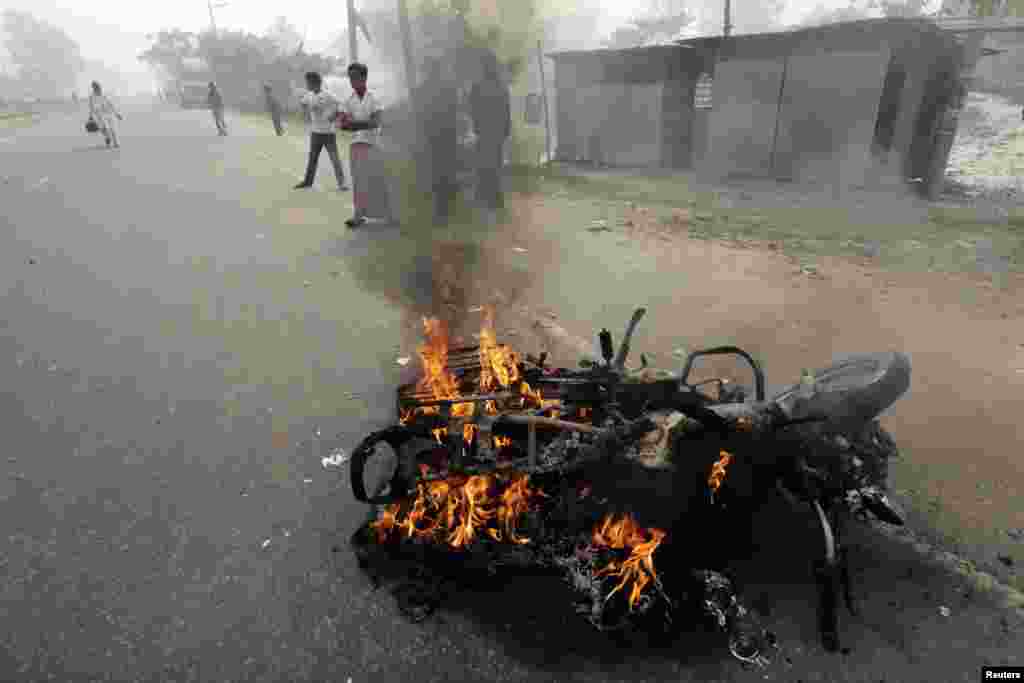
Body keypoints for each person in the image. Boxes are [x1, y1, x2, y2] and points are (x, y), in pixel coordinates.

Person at [338, 62, 394, 227]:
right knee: (359, 183)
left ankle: (389, 214)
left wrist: (354, 123)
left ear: (364, 77)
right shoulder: (348, 100)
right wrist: (364, 123)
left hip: (374, 144)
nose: (352, 81)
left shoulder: (374, 97)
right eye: (350, 78)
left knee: (379, 180)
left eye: (355, 77)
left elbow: (377, 122)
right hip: (356, 145)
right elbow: (343, 124)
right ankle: (358, 215)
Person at [417, 57, 458, 226]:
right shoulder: (449, 89)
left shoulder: (422, 90)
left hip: (432, 137)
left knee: (436, 174)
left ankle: (440, 212)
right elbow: (454, 111)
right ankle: (447, 210)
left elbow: (420, 115)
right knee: (447, 173)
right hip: (447, 136)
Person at [469, 50, 511, 214]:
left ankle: (487, 198)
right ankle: (493, 198)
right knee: (494, 164)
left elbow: (472, 108)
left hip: (485, 131)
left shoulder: (478, 87)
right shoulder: (501, 87)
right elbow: (506, 111)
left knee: (485, 164)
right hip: (496, 132)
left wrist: (477, 126)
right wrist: (506, 129)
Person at [295, 71, 348, 191]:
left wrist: (334, 116)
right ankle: (308, 182)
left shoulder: (328, 95)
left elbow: (342, 106)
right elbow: (302, 103)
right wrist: (304, 108)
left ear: (314, 83)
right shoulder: (309, 95)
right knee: (312, 159)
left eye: (308, 82)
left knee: (334, 159)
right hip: (315, 133)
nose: (306, 85)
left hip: (328, 133)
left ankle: (342, 183)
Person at [88, 81, 123, 149]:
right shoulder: (92, 96)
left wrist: (117, 113)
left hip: (108, 113)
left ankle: (116, 143)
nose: (98, 88)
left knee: (112, 128)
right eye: (96, 87)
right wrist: (90, 116)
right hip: (99, 115)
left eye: (98, 87)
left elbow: (111, 104)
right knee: (103, 129)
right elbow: (91, 107)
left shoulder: (104, 94)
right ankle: (107, 138)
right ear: (93, 88)